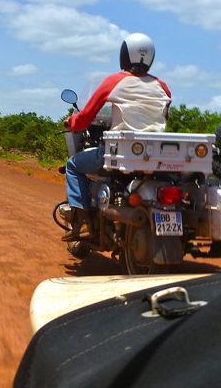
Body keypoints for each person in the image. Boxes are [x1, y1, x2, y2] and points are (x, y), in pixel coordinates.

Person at [61, 32, 172, 242]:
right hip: (155, 155)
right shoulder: (163, 87)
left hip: (118, 153)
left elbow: (85, 118)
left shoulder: (114, 81)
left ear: (124, 55)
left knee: (73, 166)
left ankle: (83, 221)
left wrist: (72, 122)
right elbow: (163, 115)